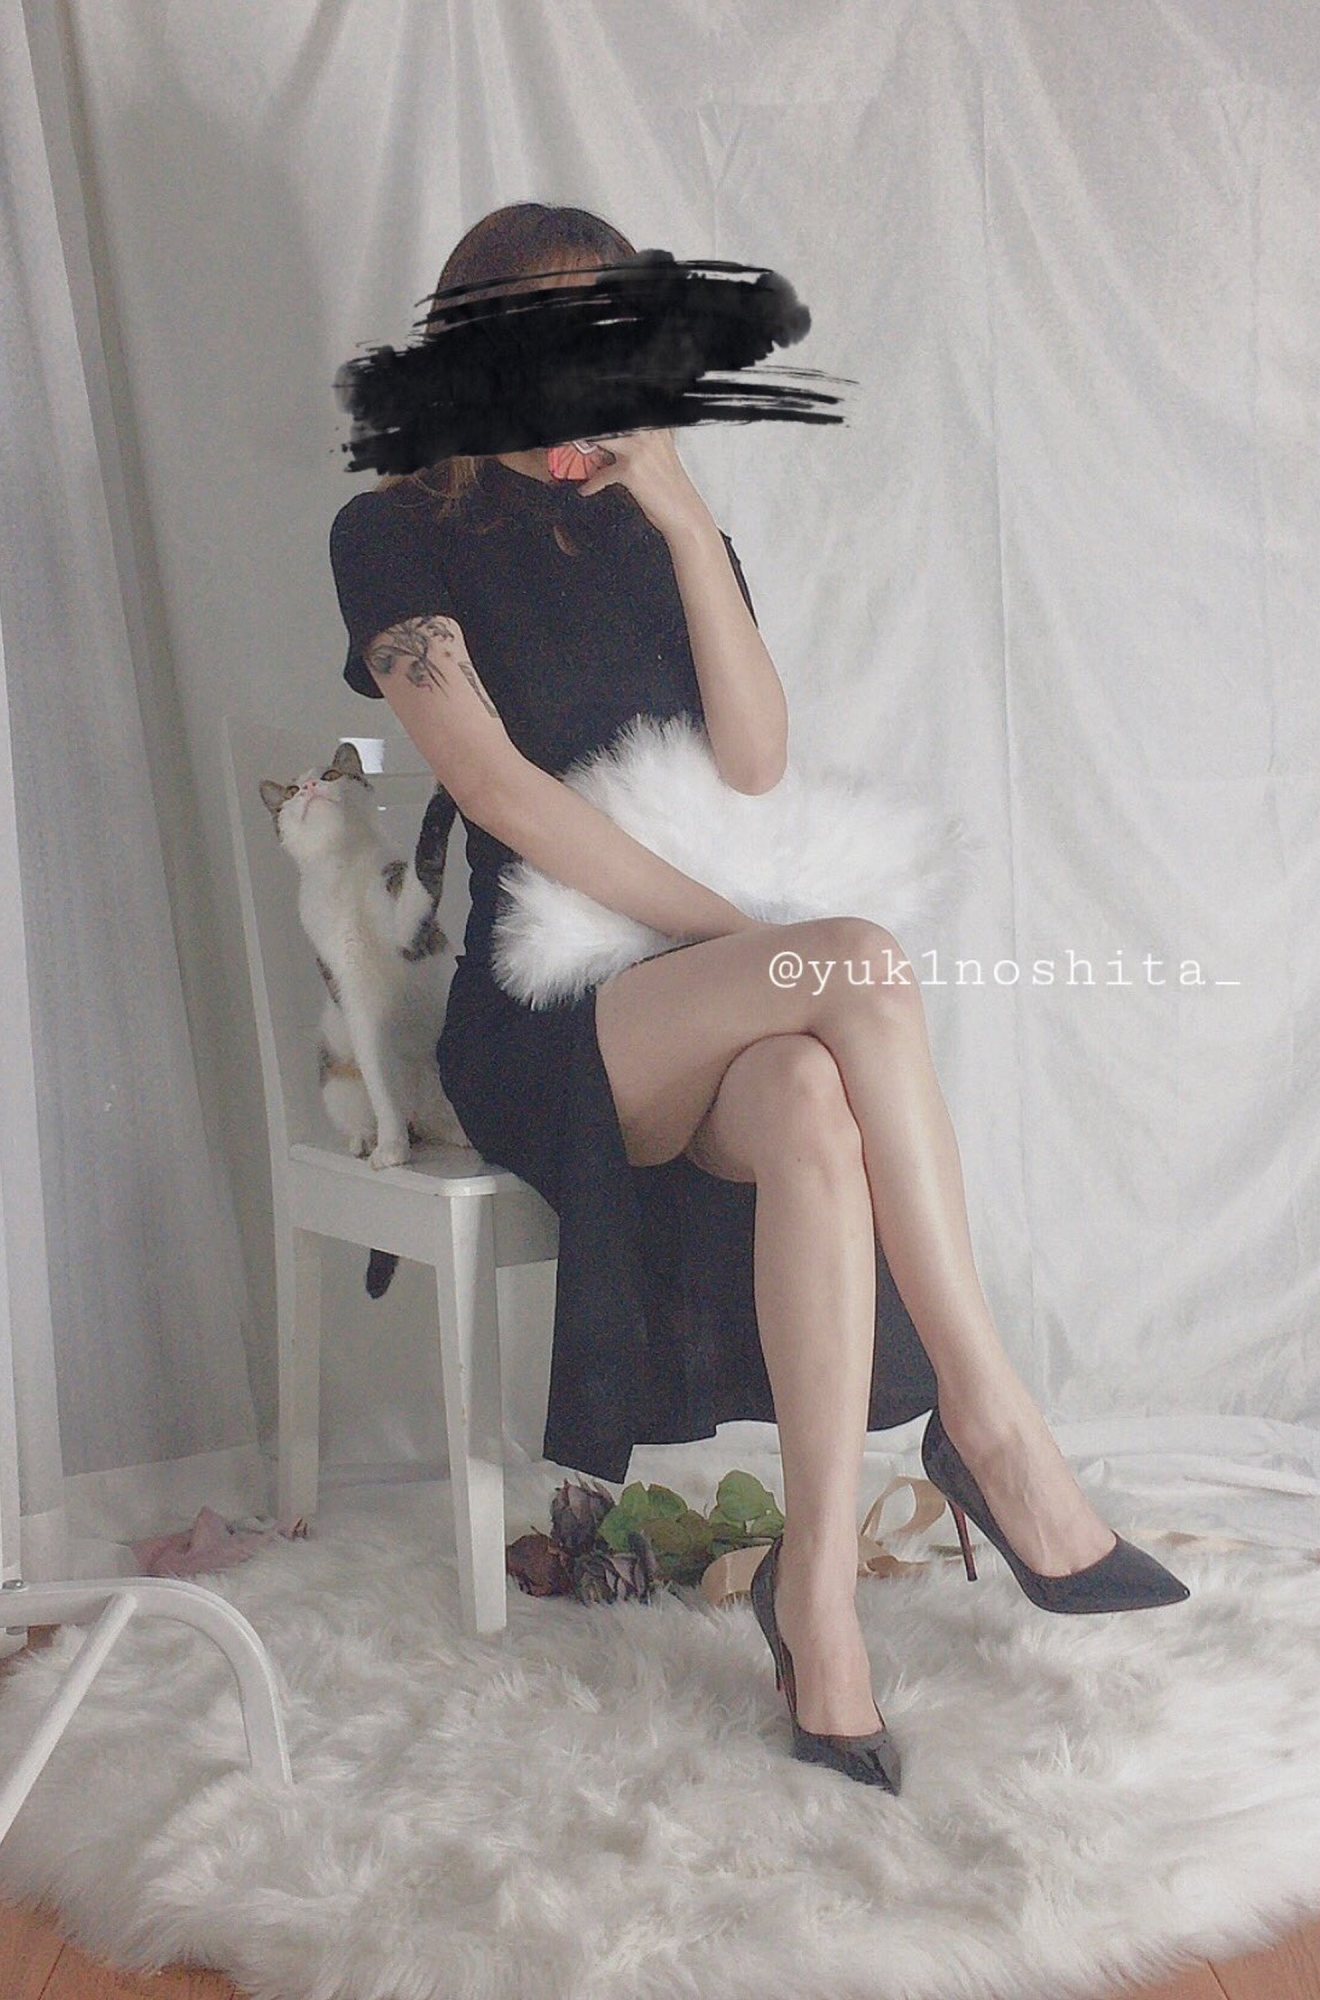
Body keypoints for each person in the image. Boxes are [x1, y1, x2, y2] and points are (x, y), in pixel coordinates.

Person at [329, 201, 1188, 1799]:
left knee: (805, 1098)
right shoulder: (391, 534)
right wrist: (748, 938)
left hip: (693, 1004)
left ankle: (818, 1599)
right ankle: (991, 1426)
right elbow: (499, 792)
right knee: (850, 961)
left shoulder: (648, 525)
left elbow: (754, 761)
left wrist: (680, 513)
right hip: (543, 1015)